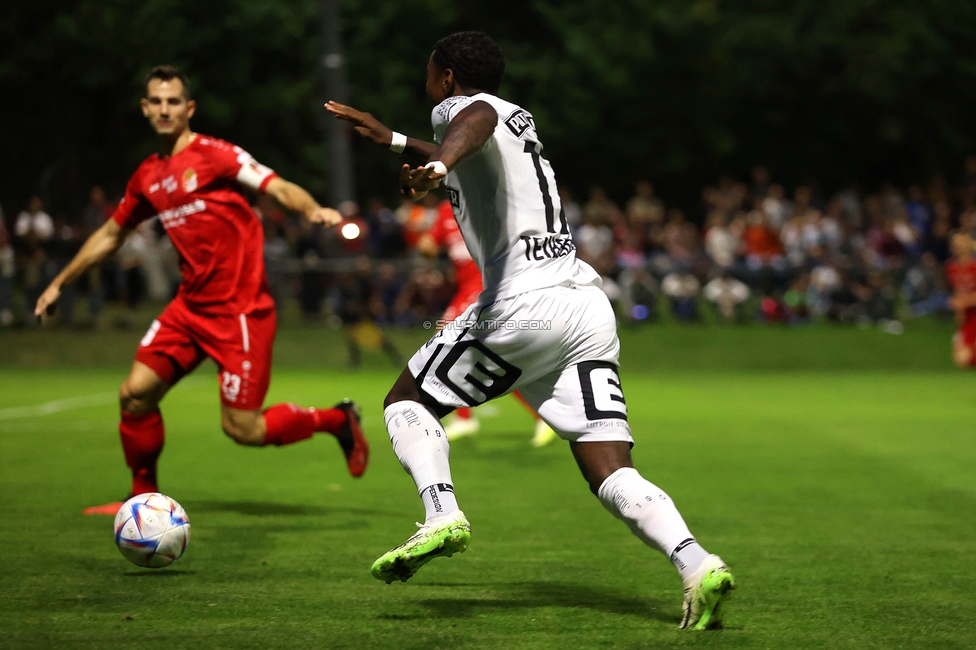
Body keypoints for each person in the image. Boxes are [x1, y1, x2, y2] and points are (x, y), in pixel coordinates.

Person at [326, 31, 734, 630]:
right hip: (584, 306)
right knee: (609, 468)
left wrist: (436, 161)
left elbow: (470, 122)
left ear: (445, 78)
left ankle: (442, 515)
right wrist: (394, 140)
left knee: (405, 401)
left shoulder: (467, 110)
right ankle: (699, 564)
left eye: (429, 70)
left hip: (525, 305)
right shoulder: (516, 120)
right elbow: (476, 133)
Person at [34, 65, 369, 515]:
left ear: (189, 108)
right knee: (134, 394)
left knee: (243, 429)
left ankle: (337, 420)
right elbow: (111, 234)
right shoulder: (148, 176)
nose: (165, 109)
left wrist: (312, 210)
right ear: (145, 108)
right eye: (157, 101)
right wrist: (59, 283)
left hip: (241, 312)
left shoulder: (216, 155)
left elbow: (277, 186)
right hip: (189, 309)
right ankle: (142, 499)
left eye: (174, 101)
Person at [416, 199, 557, 446]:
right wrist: (417, 233)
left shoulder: (483, 201)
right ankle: (537, 415)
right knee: (485, 358)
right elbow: (428, 246)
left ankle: (467, 418)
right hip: (466, 288)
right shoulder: (444, 210)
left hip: (488, 285)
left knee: (448, 338)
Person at [946, 232, 976, 368]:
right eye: (955, 243)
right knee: (961, 361)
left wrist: (965, 301)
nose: (958, 246)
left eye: (961, 242)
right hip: (967, 317)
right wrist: (956, 305)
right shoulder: (951, 268)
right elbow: (956, 291)